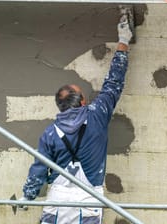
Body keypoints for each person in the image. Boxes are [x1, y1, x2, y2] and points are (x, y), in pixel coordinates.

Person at [20, 16, 133, 224]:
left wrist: (28, 196)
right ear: (82, 102)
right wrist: (123, 40)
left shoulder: (51, 133)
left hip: (57, 202)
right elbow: (113, 82)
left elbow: (39, 169)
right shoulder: (97, 114)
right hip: (89, 200)